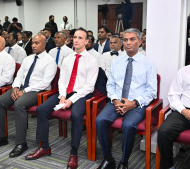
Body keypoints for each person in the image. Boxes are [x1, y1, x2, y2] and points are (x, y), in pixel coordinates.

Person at [25, 28, 98, 169]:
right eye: (75, 37)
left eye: (81, 38)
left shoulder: (92, 61)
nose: (76, 40)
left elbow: (89, 87)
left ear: (87, 41)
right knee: (41, 109)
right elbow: (62, 80)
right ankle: (44, 147)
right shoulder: (68, 58)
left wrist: (71, 100)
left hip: (81, 94)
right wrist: (63, 95)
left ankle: (73, 152)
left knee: (76, 115)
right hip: (65, 93)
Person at [0, 35, 57, 158]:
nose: (33, 45)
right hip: (21, 88)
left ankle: (21, 143)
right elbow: (19, 76)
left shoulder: (50, 61)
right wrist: (16, 87)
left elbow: (45, 83)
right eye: (33, 43)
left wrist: (24, 91)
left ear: (44, 45)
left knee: (19, 104)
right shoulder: (28, 59)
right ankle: (1, 137)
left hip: (37, 91)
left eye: (37, 43)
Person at [95, 28, 157, 169]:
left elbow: (152, 91)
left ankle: (124, 162)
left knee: (128, 126)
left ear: (140, 42)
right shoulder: (117, 62)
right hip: (117, 101)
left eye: (132, 39)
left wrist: (134, 103)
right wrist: (116, 100)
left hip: (137, 103)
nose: (128, 43)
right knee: (100, 120)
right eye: (125, 39)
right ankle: (108, 158)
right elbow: (110, 85)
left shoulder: (148, 64)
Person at [158, 65, 190, 169]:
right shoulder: (184, 71)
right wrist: (183, 111)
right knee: (164, 131)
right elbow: (173, 95)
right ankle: (168, 166)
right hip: (183, 110)